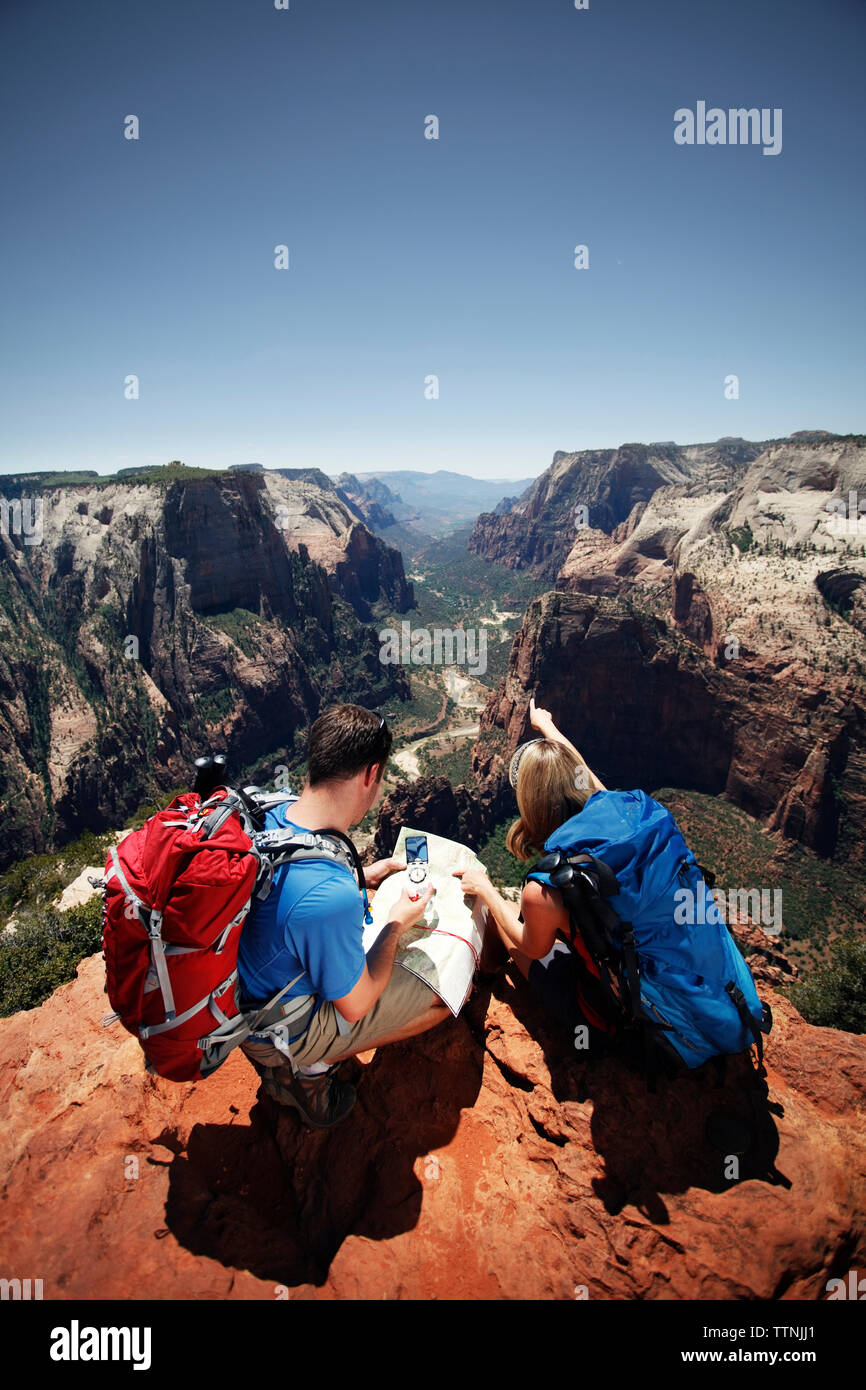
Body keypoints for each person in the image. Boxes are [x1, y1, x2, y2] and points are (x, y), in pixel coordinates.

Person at [238, 704, 450, 1128]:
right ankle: (309, 1071)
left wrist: (366, 874)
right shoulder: (328, 896)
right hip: (275, 1030)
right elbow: (356, 1004)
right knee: (440, 997)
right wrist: (395, 923)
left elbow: (289, 896)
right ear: (370, 774)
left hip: (246, 996)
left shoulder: (271, 813)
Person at [453, 697, 614, 1043]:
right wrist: (547, 727)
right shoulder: (617, 811)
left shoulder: (547, 888)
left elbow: (532, 948)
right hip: (671, 986)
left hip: (608, 1016)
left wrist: (486, 890)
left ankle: (484, 979)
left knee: (502, 915)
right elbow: (583, 773)